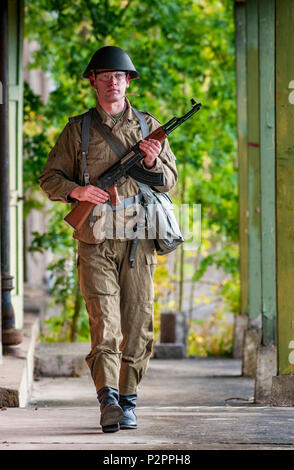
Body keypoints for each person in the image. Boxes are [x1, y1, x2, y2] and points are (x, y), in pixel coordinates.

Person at [39, 46, 178, 433]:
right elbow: (50, 178)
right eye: (106, 75)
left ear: (128, 81)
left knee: (138, 324)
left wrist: (151, 162)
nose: (114, 81)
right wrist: (77, 193)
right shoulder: (78, 130)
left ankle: (128, 398)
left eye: (120, 76)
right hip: (95, 238)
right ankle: (109, 402)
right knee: (105, 323)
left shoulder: (149, 127)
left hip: (139, 239)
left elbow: (170, 182)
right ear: (93, 81)